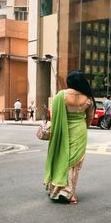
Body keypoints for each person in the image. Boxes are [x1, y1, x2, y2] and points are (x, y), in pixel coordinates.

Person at [44, 70, 95, 204]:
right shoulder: (88, 98)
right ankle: (69, 193)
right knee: (74, 164)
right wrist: (83, 126)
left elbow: (54, 116)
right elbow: (90, 118)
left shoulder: (61, 96)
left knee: (61, 158)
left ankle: (55, 188)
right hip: (80, 131)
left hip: (63, 130)